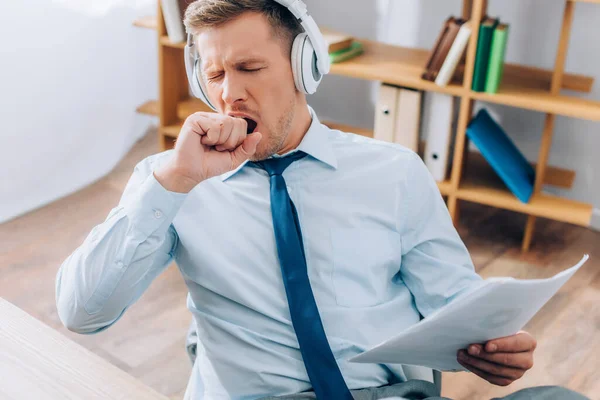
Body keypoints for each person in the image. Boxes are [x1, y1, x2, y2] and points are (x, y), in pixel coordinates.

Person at [55, 1, 588, 399]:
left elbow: (455, 302)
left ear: (304, 66)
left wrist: (493, 345)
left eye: (250, 68)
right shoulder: (172, 181)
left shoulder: (394, 172)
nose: (228, 94)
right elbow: (82, 311)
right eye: (215, 75)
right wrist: (172, 183)